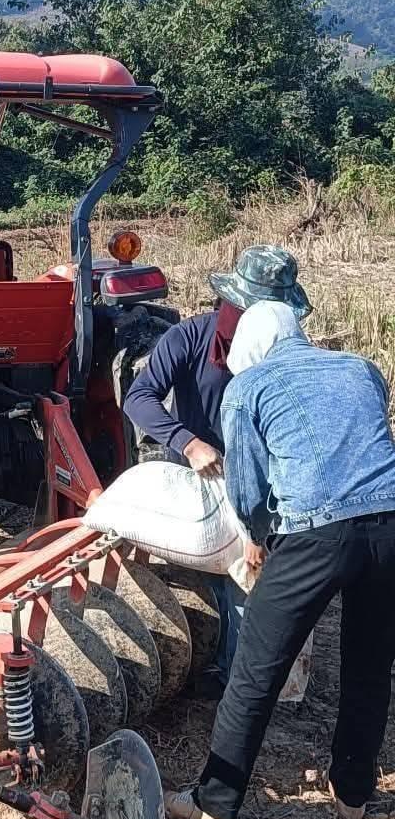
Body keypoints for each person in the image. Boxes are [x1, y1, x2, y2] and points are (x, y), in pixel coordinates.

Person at [166, 301, 395, 819]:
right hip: (390, 526)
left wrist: (261, 540)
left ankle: (216, 805)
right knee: (368, 665)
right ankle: (353, 798)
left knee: (255, 670)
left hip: (316, 534)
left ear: (250, 348)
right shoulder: (360, 368)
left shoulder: (247, 390)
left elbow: (247, 491)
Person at [123, 246, 313, 688]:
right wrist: (187, 443)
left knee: (249, 578)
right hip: (199, 479)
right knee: (208, 578)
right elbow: (139, 397)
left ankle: (240, 678)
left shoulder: (282, 353)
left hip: (261, 482)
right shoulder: (187, 338)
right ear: (230, 306)